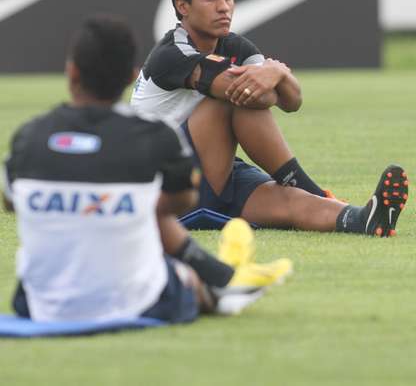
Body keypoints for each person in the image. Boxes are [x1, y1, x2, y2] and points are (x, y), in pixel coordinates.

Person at [1, 16, 287, 322]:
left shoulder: (28, 136)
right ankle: (219, 285)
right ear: (131, 77)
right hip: (134, 301)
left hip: (37, 304)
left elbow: (10, 201)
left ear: (71, 72)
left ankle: (223, 276)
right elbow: (183, 200)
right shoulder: (156, 135)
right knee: (176, 267)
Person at [131, 0, 409, 237]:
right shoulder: (170, 54)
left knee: (290, 201)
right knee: (230, 101)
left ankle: (365, 220)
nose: (224, 6)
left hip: (217, 170)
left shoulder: (237, 45)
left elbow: (292, 101)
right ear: (182, 6)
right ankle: (311, 188)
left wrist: (278, 73)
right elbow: (254, 97)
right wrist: (272, 72)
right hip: (167, 185)